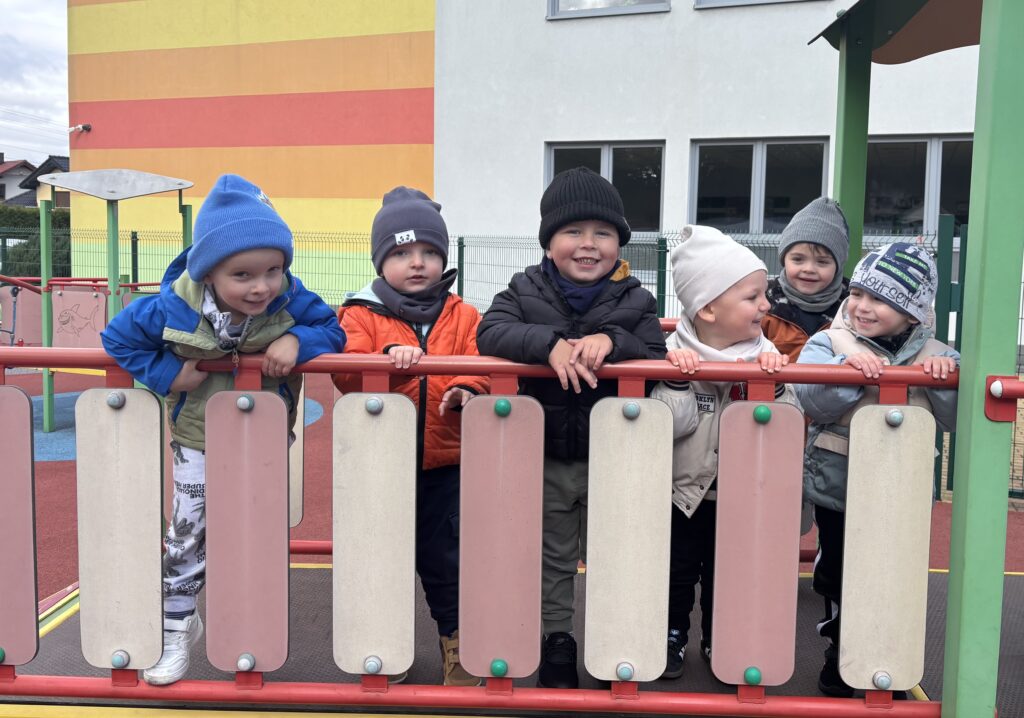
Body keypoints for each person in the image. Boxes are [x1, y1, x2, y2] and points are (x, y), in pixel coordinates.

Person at [100, 174, 345, 686]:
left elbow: (333, 328)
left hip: (262, 439)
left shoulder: (290, 299)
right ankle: (176, 627)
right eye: (243, 275)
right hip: (198, 438)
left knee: (250, 532)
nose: (262, 287)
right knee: (186, 533)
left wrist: (299, 340)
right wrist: (167, 374)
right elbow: (117, 337)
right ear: (209, 272)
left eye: (273, 270)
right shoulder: (173, 306)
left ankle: (246, 626)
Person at [477, 167, 666, 689]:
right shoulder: (524, 289)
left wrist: (613, 342)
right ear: (549, 242)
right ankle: (557, 639)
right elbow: (490, 332)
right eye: (573, 232)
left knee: (615, 554)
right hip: (548, 457)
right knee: (554, 556)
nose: (588, 244)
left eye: (603, 233)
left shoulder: (635, 299)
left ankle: (612, 642)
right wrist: (547, 344)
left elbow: (655, 353)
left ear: (619, 244)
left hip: (615, 459)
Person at [331, 186, 487, 687]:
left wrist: (466, 387)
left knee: (448, 561)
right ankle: (383, 643)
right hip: (380, 465)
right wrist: (386, 363)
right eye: (401, 253)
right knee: (381, 557)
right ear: (381, 262)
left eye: (428, 252)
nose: (417, 263)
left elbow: (482, 364)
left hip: (446, 464)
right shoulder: (360, 314)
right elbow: (345, 371)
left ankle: (457, 645)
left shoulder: (463, 315)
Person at [795, 242, 958, 698]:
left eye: (880, 299)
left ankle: (888, 657)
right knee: (839, 574)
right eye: (858, 293)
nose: (863, 307)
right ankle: (840, 651)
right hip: (839, 490)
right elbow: (811, 398)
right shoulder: (829, 343)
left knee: (894, 576)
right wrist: (846, 373)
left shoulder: (937, 354)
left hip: (899, 493)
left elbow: (954, 418)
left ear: (913, 312)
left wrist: (942, 381)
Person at [651, 225, 795, 680]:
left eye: (764, 294)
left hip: (740, 494)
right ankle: (671, 634)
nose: (766, 305)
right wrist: (677, 382)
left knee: (728, 571)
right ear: (708, 308)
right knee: (676, 570)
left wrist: (773, 387)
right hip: (682, 493)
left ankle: (721, 636)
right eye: (753, 297)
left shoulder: (767, 356)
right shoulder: (672, 355)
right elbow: (666, 427)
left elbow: (787, 429)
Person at [762, 197, 851, 363]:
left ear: (838, 266)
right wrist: (760, 357)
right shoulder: (763, 302)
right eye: (798, 259)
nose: (809, 269)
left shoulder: (852, 306)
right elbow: (743, 346)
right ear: (784, 259)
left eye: (822, 262)